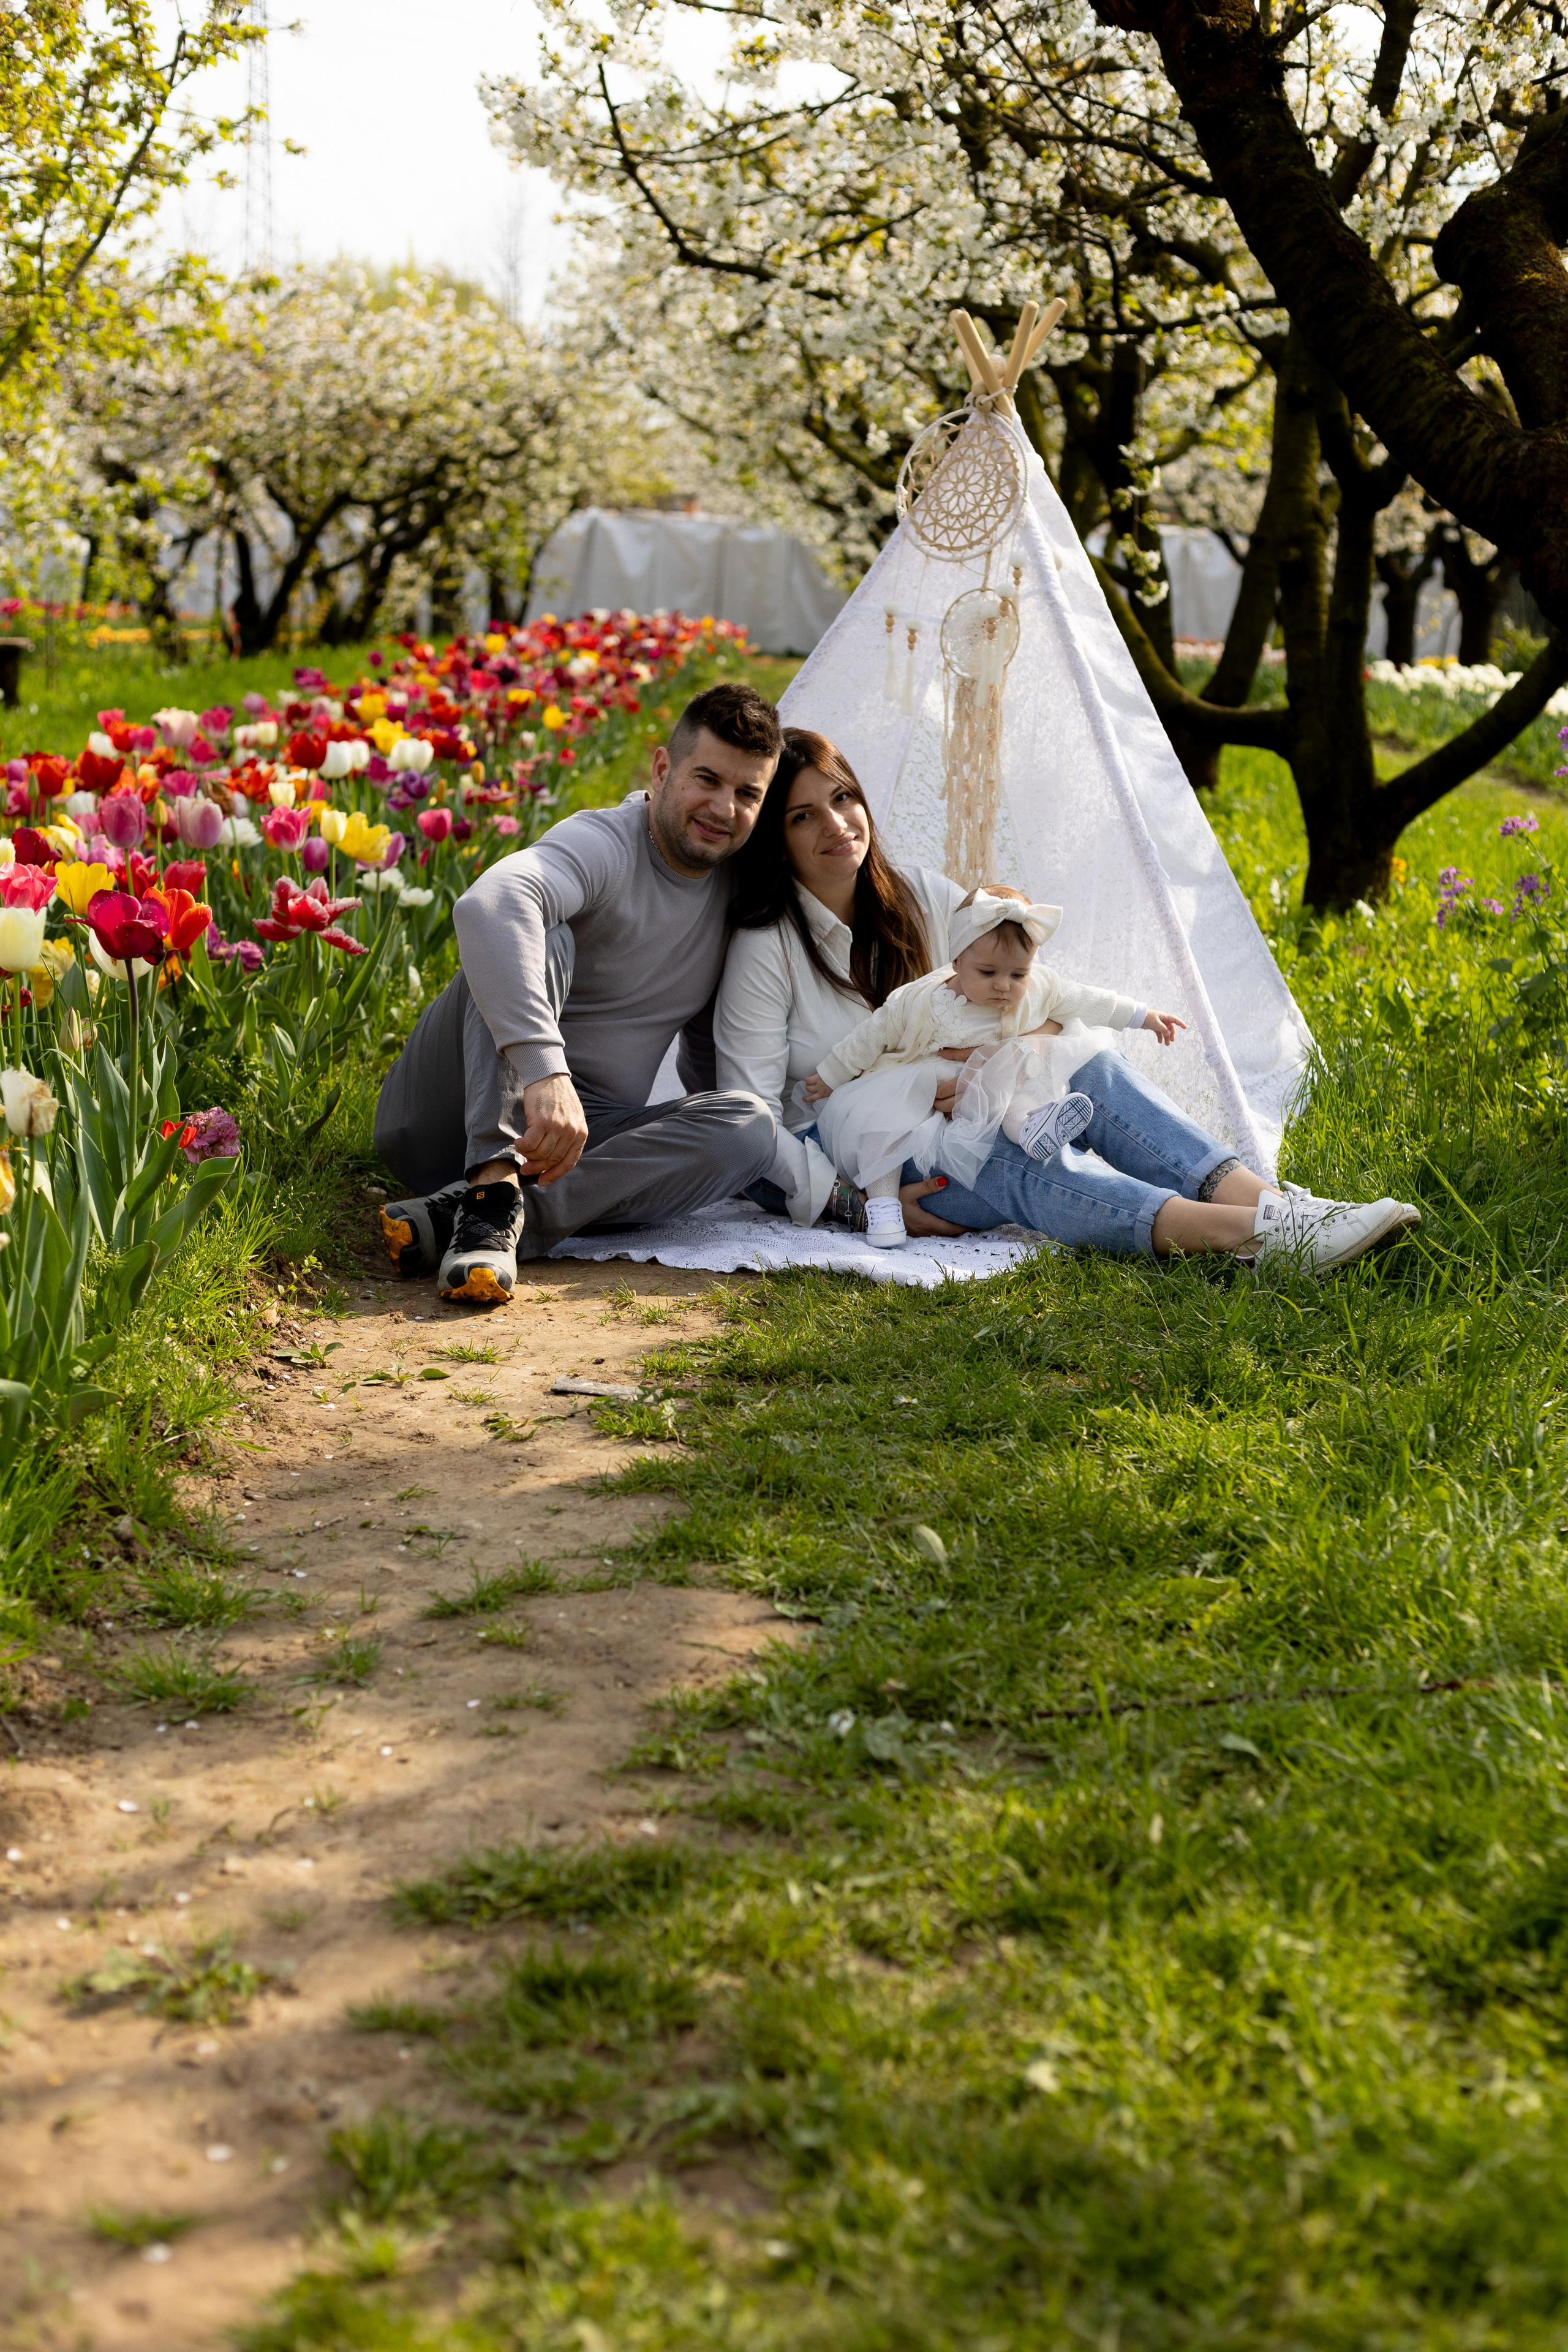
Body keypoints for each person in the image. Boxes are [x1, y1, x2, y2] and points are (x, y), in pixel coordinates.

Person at [716, 726, 1421, 1270]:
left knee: (1090, 1067)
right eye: (803, 816)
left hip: (974, 1103)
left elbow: (1031, 992)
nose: (837, 825)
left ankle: (1278, 1206)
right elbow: (747, 1128)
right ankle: (1245, 1238)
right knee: (1001, 1153)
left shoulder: (922, 897)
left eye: (843, 797)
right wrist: (849, 1205)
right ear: (777, 843)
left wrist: (999, 1058)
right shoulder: (765, 948)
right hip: (866, 1158)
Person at [374, 681, 782, 1303]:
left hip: (577, 1143)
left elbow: (708, 1060)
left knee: (750, 1126)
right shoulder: (605, 843)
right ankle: (489, 1181)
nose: (724, 807)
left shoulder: (733, 896)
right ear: (663, 769)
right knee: (543, 933)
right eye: (707, 780)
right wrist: (545, 1070)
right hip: (451, 1109)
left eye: (746, 793)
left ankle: (481, 1215)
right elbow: (489, 904)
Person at [802, 884, 1186, 1247]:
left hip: (993, 1084)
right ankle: (882, 1205)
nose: (1004, 986)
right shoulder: (921, 1000)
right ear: (956, 961)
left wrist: (1142, 1015)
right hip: (920, 1086)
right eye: (988, 973)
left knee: (1018, 1081)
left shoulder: (1040, 988)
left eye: (1018, 974)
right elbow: (872, 1035)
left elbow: (1087, 1000)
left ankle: (1033, 1128)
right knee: (881, 1128)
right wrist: (832, 1073)